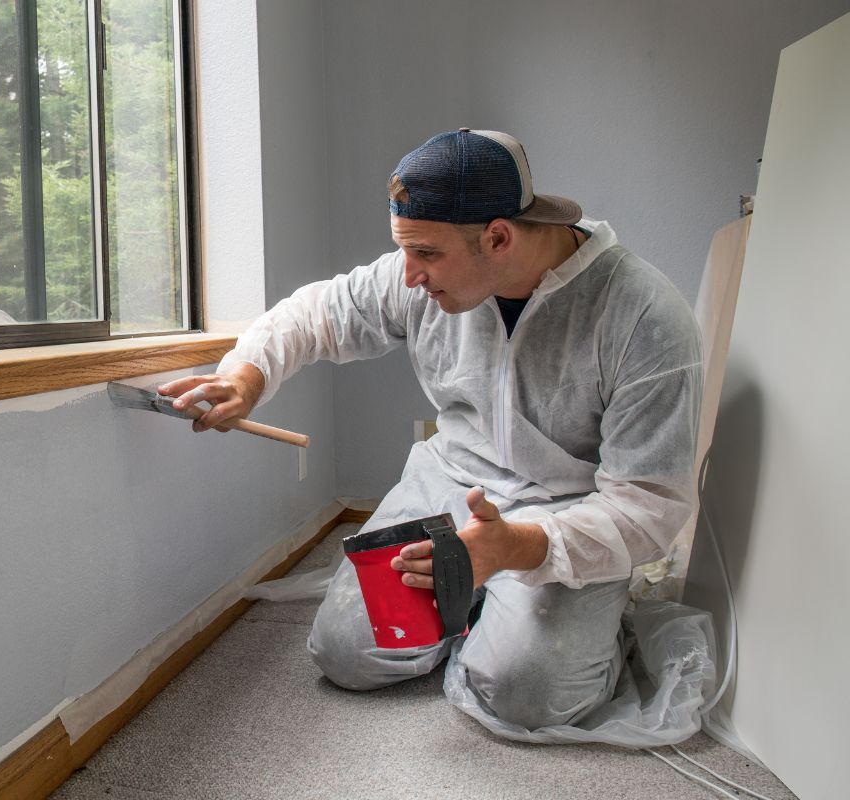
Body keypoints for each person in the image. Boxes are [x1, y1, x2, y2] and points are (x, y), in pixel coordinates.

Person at [158, 129, 702, 731]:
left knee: (527, 696)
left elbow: (651, 504)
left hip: (566, 512)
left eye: (426, 254)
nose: (409, 274)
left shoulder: (644, 315)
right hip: (452, 483)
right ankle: (479, 603)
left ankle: (559, 618)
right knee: (346, 652)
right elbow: (314, 314)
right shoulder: (415, 275)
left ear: (497, 237)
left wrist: (514, 550)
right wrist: (245, 378)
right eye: (404, 250)